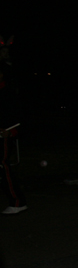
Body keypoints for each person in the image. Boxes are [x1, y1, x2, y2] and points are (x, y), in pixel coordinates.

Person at [1, 63, 26, 215]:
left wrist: (11, 131)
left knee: (3, 165)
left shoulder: (7, 92)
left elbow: (18, 115)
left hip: (4, 135)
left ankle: (17, 202)